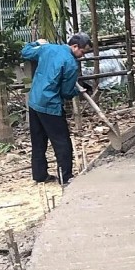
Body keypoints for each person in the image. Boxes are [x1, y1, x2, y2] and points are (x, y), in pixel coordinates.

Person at [21, 33, 93, 184]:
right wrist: (77, 91)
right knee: (62, 142)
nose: (82, 56)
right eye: (82, 52)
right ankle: (65, 176)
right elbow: (66, 93)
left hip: (35, 101)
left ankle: (40, 175)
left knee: (38, 141)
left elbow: (25, 51)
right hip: (50, 105)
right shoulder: (71, 64)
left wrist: (36, 43)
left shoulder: (47, 48)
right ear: (74, 47)